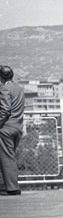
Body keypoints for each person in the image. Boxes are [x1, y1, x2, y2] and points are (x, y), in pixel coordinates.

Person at [0, 65, 26, 195]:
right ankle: (6, 185)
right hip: (17, 127)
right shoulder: (19, 89)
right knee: (9, 157)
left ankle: (12, 188)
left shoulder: (4, 89)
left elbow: (5, 110)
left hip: (6, 129)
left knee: (7, 159)